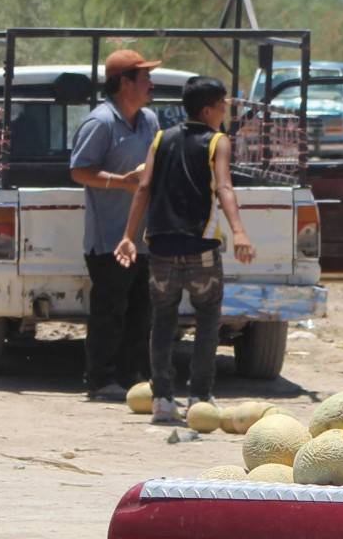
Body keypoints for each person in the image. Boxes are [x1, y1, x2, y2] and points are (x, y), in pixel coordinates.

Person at [114, 75, 255, 424]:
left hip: (160, 248)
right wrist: (239, 232)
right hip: (201, 248)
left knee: (162, 321)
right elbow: (224, 187)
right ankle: (200, 396)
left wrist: (128, 236)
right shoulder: (217, 142)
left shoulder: (161, 138)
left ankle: (162, 399)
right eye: (222, 106)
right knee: (208, 320)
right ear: (208, 110)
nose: (224, 112)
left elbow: (143, 188)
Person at [69, 48, 162, 401]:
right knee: (109, 311)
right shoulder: (101, 123)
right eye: (145, 78)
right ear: (125, 83)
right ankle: (101, 379)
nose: (151, 84)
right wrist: (121, 181)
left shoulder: (150, 121)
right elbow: (79, 170)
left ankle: (134, 378)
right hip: (109, 239)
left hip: (144, 240)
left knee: (142, 311)